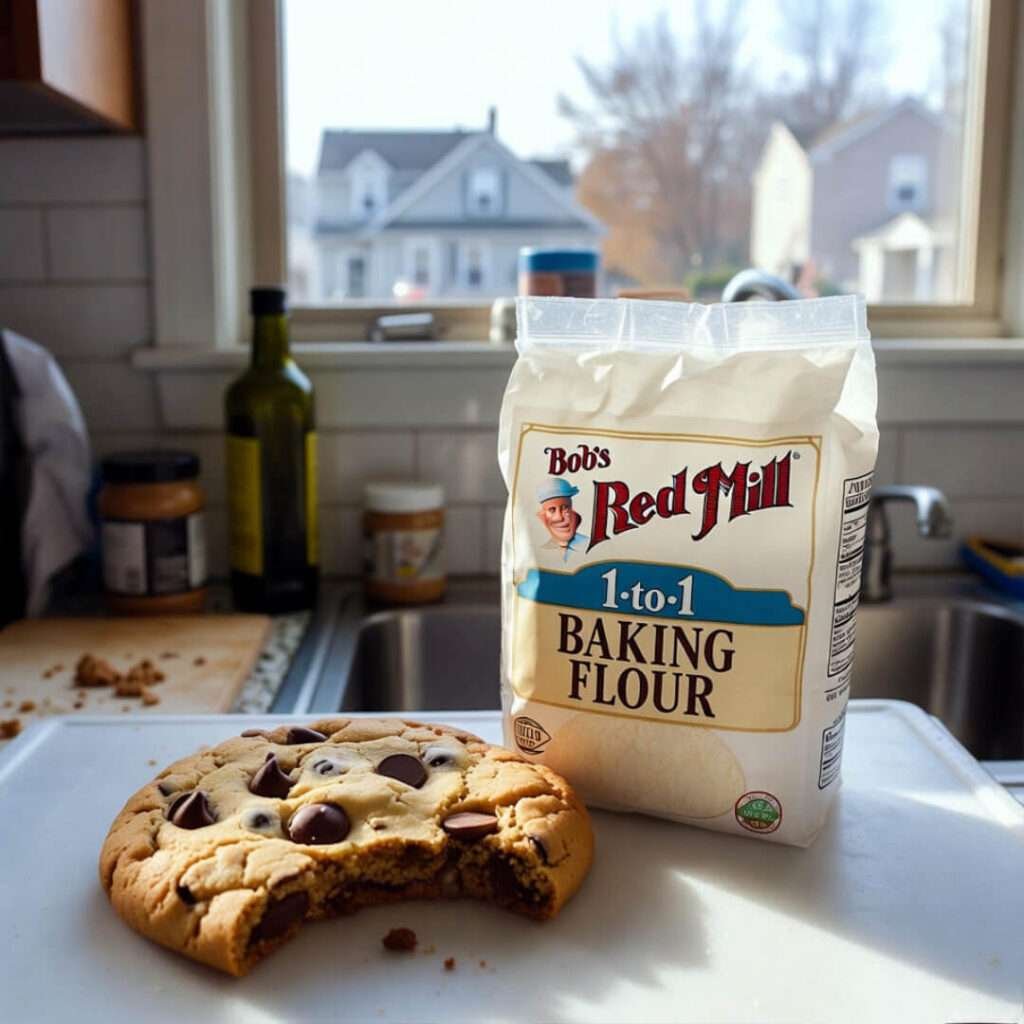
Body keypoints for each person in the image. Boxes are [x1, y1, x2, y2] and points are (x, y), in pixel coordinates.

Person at [535, 477, 589, 563]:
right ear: (543, 516)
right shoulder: (538, 551)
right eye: (552, 510)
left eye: (565, 508)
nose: (559, 518)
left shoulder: (590, 545)